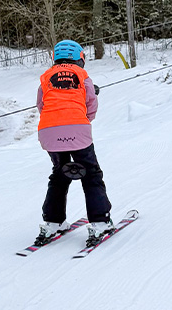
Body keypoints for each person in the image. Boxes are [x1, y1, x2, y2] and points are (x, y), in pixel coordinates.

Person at [35, 40, 114, 247]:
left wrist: (56, 123)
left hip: (48, 131)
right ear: (81, 58)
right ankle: (100, 221)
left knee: (60, 173)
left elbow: (41, 104)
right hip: (78, 129)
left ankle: (53, 222)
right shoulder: (82, 75)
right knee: (91, 173)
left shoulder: (45, 77)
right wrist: (84, 119)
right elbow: (91, 101)